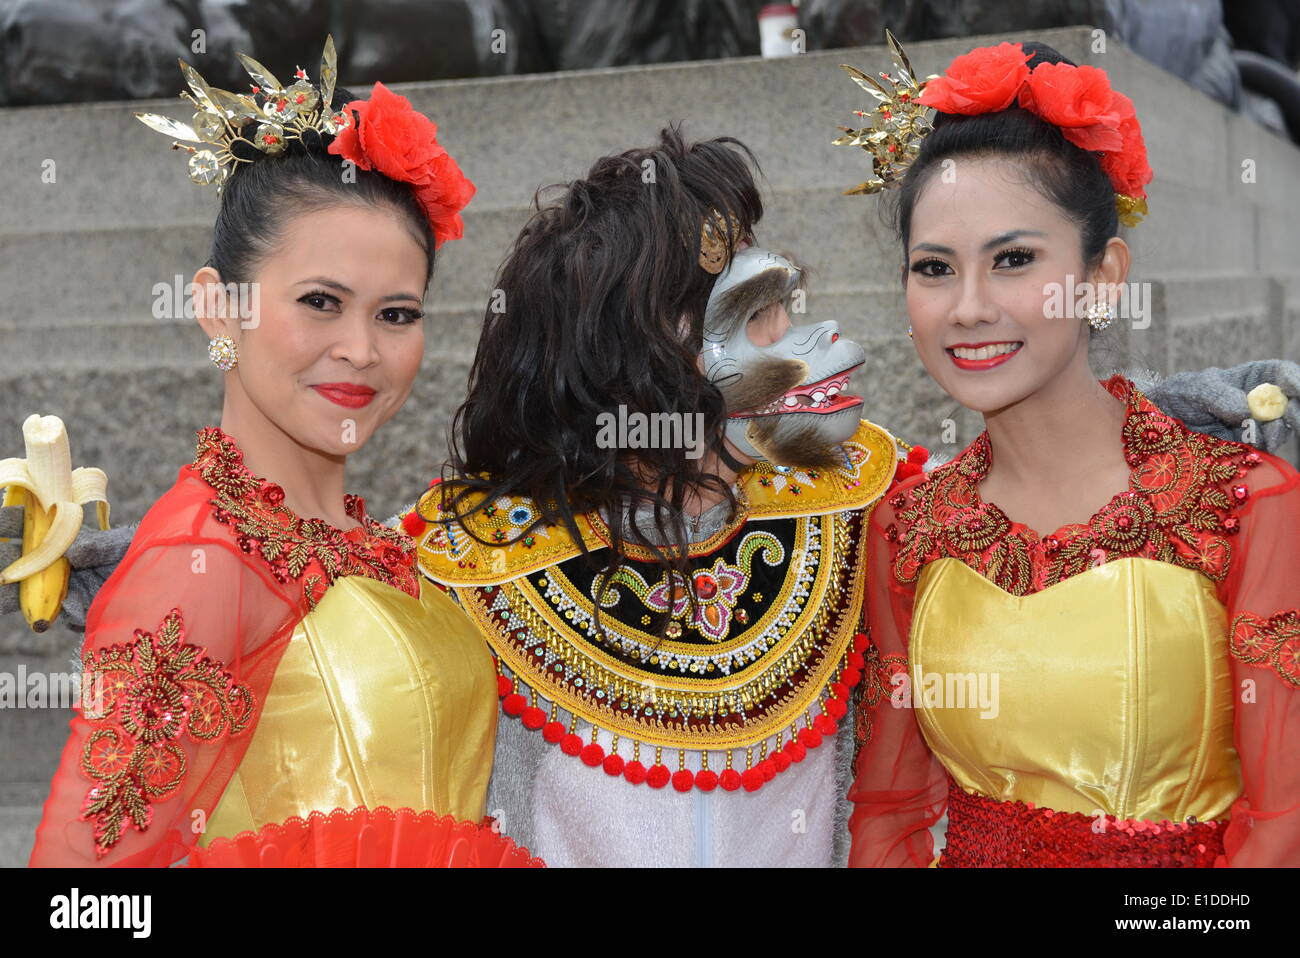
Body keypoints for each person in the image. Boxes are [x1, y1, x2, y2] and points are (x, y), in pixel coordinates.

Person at [23, 38, 539, 867]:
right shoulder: (204, 561)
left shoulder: (373, 544)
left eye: (396, 314)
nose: (361, 351)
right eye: (321, 303)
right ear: (217, 308)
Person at [841, 36, 1300, 867]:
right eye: (934, 268)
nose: (970, 307)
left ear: (1103, 274)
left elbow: (1283, 824)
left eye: (1014, 260)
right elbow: (890, 808)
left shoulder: (1246, 504)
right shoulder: (906, 530)